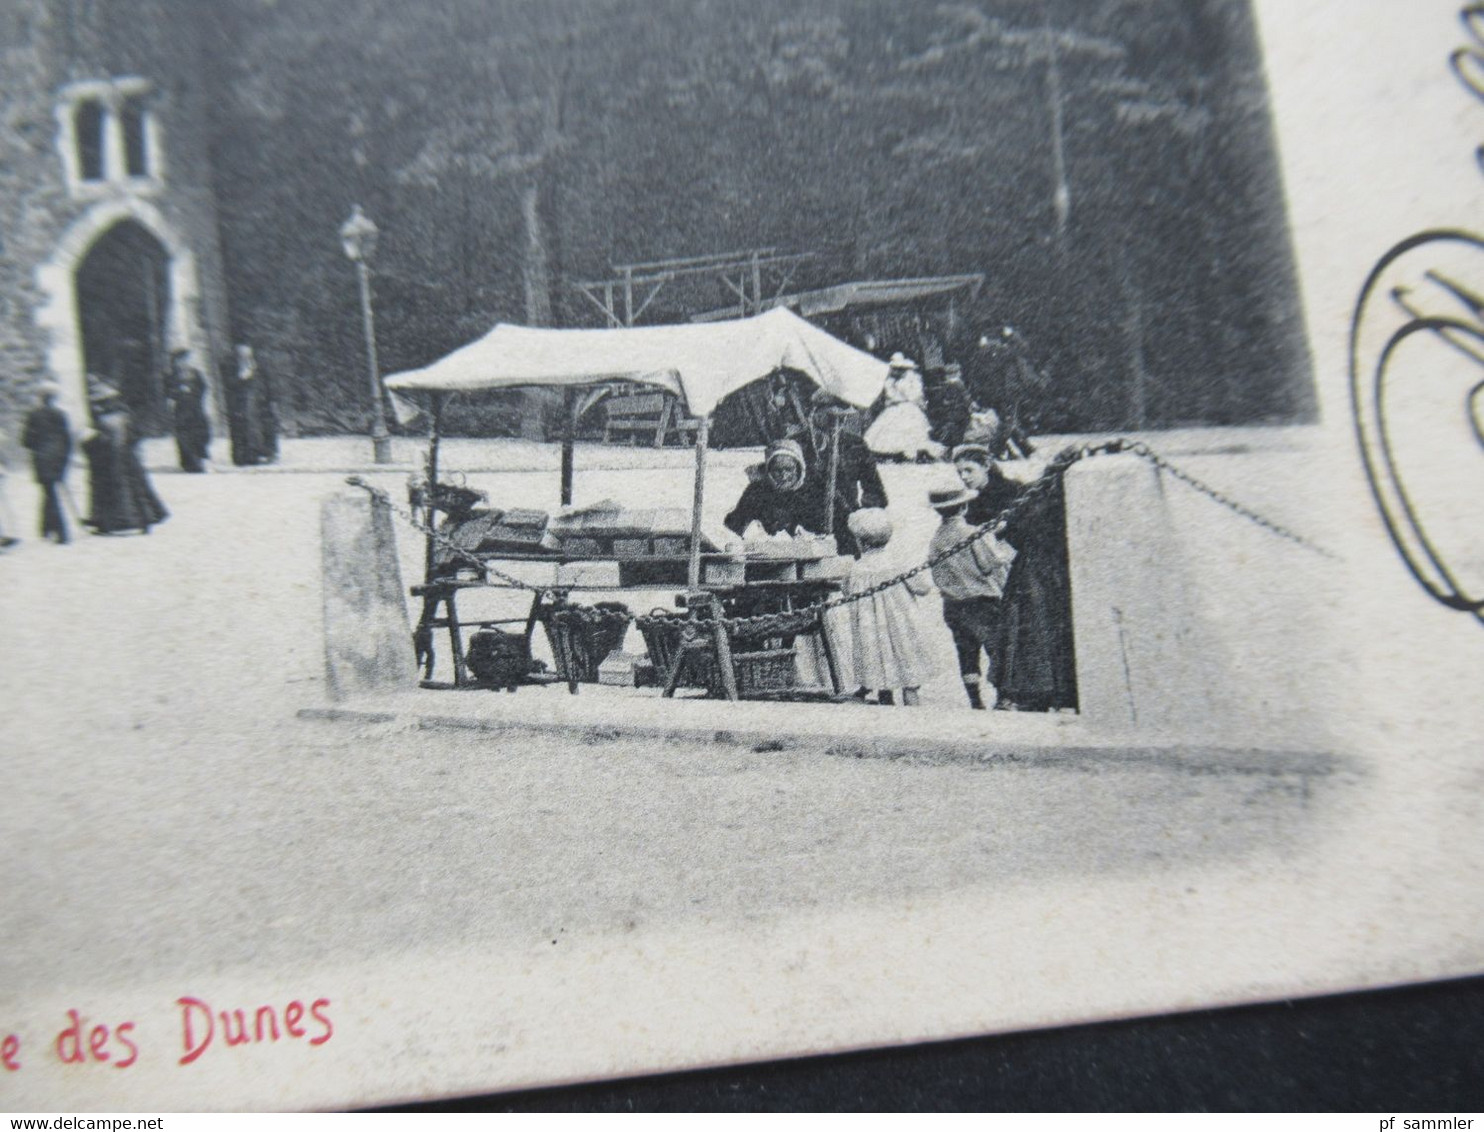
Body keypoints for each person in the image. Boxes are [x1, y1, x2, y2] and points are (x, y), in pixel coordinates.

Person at [953, 443, 1076, 712]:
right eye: (959, 471)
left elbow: (1018, 532)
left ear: (986, 466)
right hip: (1042, 568)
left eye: (968, 470)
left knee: (1028, 630)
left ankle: (1025, 692)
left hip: (1026, 572)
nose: (963, 476)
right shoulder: (1026, 492)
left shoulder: (1019, 493)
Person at [927, 483, 1017, 710]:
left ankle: (975, 700)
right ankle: (1003, 696)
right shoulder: (972, 534)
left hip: (953, 604)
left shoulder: (937, 539)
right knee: (996, 648)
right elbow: (989, 564)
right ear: (964, 507)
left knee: (966, 652)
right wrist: (1006, 550)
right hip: (982, 601)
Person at [843, 508, 934, 705]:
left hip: (873, 632)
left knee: (882, 674)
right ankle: (914, 715)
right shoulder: (899, 562)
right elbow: (923, 588)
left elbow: (847, 594)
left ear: (861, 542)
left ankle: (886, 705)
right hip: (902, 628)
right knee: (909, 675)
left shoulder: (857, 569)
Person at [81, 379, 169, 535]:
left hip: (110, 461)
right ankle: (145, 521)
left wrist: (89, 441)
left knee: (111, 492)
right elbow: (136, 435)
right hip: (129, 458)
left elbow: (102, 441)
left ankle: (108, 524)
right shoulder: (125, 415)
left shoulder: (102, 420)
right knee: (136, 490)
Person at [864, 353, 942, 462]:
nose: (897, 371)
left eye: (900, 368)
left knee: (909, 430)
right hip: (893, 407)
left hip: (908, 407)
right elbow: (888, 396)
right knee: (887, 429)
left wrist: (902, 390)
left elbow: (915, 396)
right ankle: (893, 454)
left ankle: (911, 454)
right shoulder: (889, 381)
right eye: (895, 368)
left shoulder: (912, 380)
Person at [21, 382, 72, 543]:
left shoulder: (33, 415)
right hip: (59, 458)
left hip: (43, 459)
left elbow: (26, 441)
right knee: (50, 492)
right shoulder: (61, 414)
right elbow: (67, 439)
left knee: (51, 494)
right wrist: (64, 457)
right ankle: (46, 528)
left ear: (41, 398)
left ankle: (62, 534)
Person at [228, 343, 279, 466]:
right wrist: (241, 378)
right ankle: (247, 456)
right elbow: (230, 386)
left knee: (264, 428)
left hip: (260, 404)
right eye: (241, 354)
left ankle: (267, 453)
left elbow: (269, 384)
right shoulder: (232, 368)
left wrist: (272, 400)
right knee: (245, 431)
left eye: (247, 354)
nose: (244, 356)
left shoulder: (259, 367)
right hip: (242, 405)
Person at [164, 348, 212, 473]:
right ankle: (189, 462)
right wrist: (179, 392)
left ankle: (199, 459)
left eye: (186, 360)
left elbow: (203, 388)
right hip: (181, 410)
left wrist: (193, 392)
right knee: (184, 437)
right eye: (180, 360)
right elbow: (167, 392)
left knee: (199, 434)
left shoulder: (196, 373)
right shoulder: (171, 376)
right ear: (175, 362)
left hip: (196, 408)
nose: (184, 363)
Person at [923, 363, 973, 452]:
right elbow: (966, 399)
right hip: (957, 413)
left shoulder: (950, 385)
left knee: (949, 426)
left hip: (953, 413)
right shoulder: (957, 384)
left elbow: (942, 400)